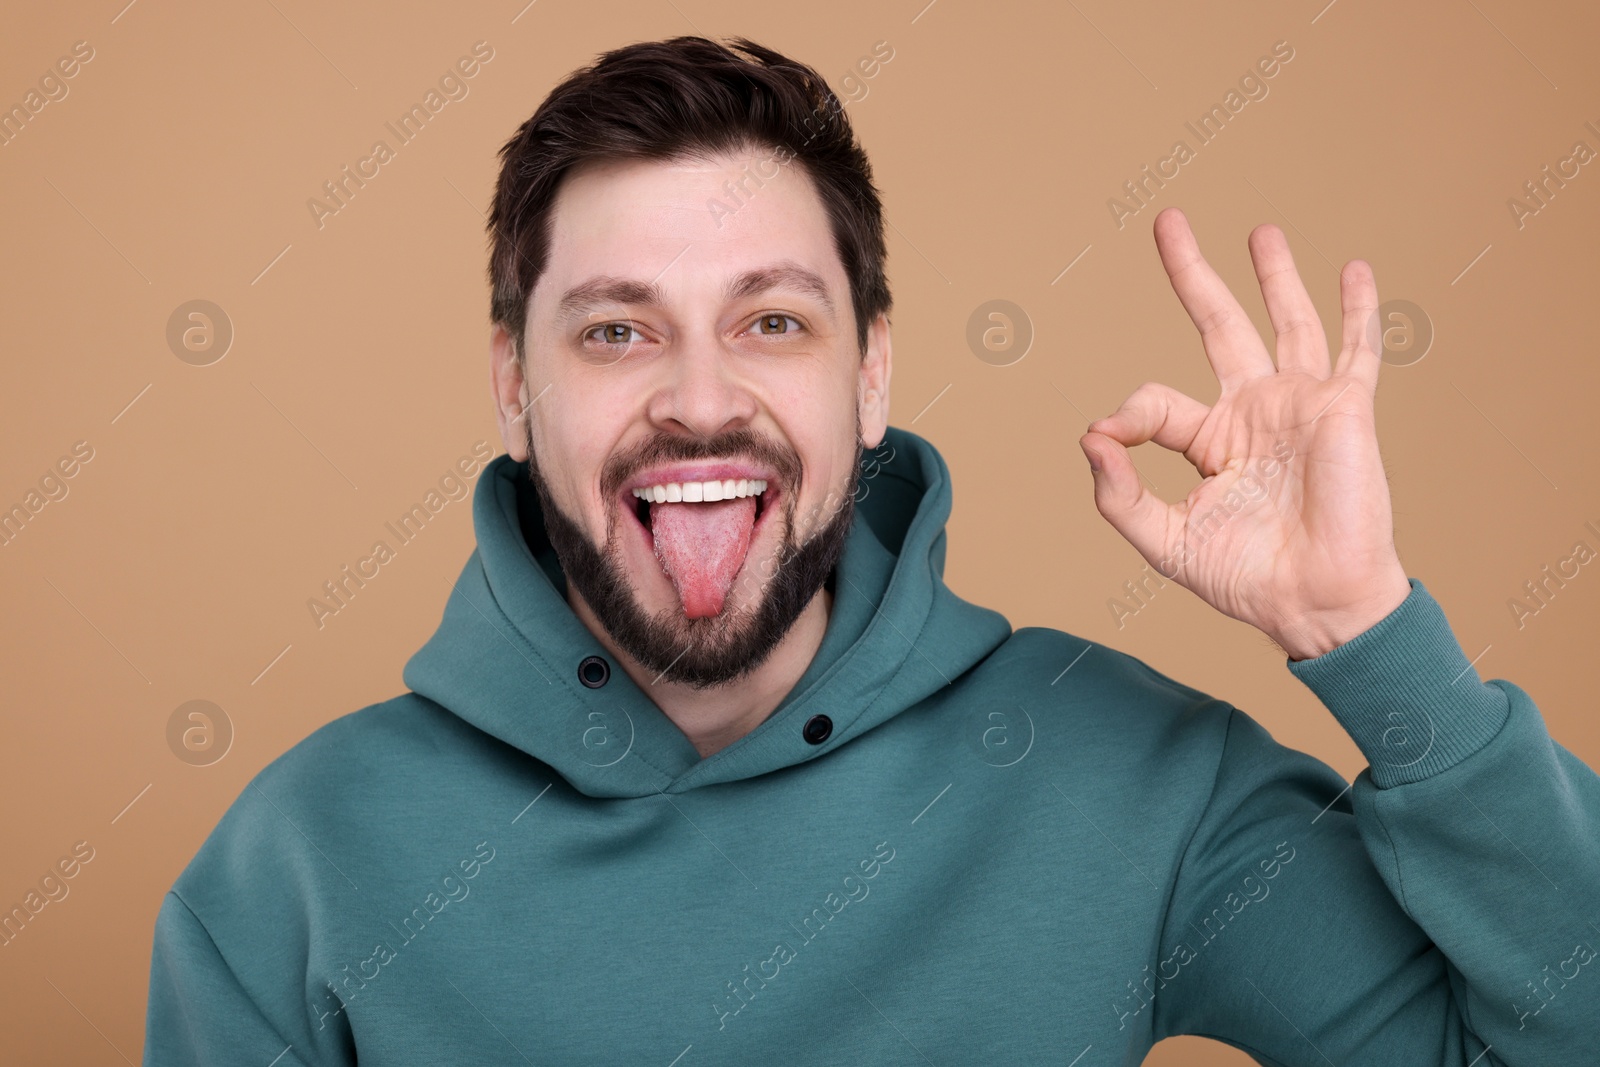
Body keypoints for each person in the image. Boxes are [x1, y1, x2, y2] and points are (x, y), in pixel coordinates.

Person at [142, 35, 1599, 1066]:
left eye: (773, 321)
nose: (700, 399)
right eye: (615, 329)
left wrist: (1371, 631)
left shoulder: (1126, 779)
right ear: (516, 387)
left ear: (874, 373)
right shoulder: (296, 868)